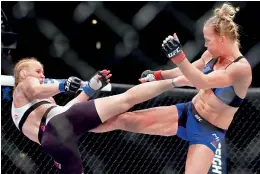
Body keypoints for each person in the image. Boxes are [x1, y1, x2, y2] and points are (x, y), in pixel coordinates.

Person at [90, 3, 252, 174]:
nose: (205, 45)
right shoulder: (212, 55)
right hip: (187, 113)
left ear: (222, 39)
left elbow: (201, 81)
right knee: (122, 119)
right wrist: (159, 75)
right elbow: (188, 69)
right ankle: (73, 126)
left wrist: (179, 57)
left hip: (208, 131)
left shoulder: (241, 69)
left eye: (208, 41)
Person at [11, 57, 176, 174]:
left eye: (43, 72)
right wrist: (62, 85)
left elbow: (66, 112)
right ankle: (175, 82)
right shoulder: (22, 87)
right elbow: (35, 90)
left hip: (56, 143)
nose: (42, 75)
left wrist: (90, 88)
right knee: (126, 99)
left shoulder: (37, 103)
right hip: (59, 129)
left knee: (118, 120)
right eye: (38, 71)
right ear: (24, 74)